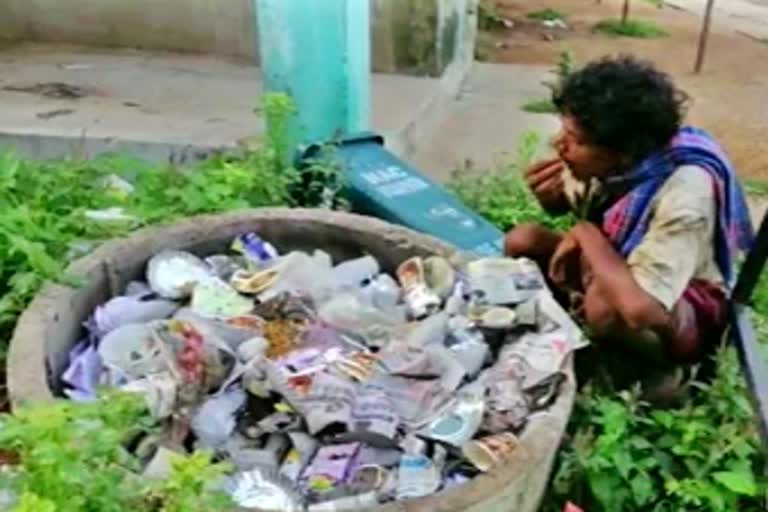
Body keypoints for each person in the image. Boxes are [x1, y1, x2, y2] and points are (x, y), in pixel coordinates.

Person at [504, 56, 754, 402]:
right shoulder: (623, 165)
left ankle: (650, 371)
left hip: (677, 302)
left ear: (620, 152)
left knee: (604, 304)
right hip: (625, 268)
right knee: (524, 240)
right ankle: (571, 335)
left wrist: (585, 233)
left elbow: (642, 307)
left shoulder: (686, 191)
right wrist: (554, 201)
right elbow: (583, 210)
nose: (560, 145)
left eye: (575, 139)